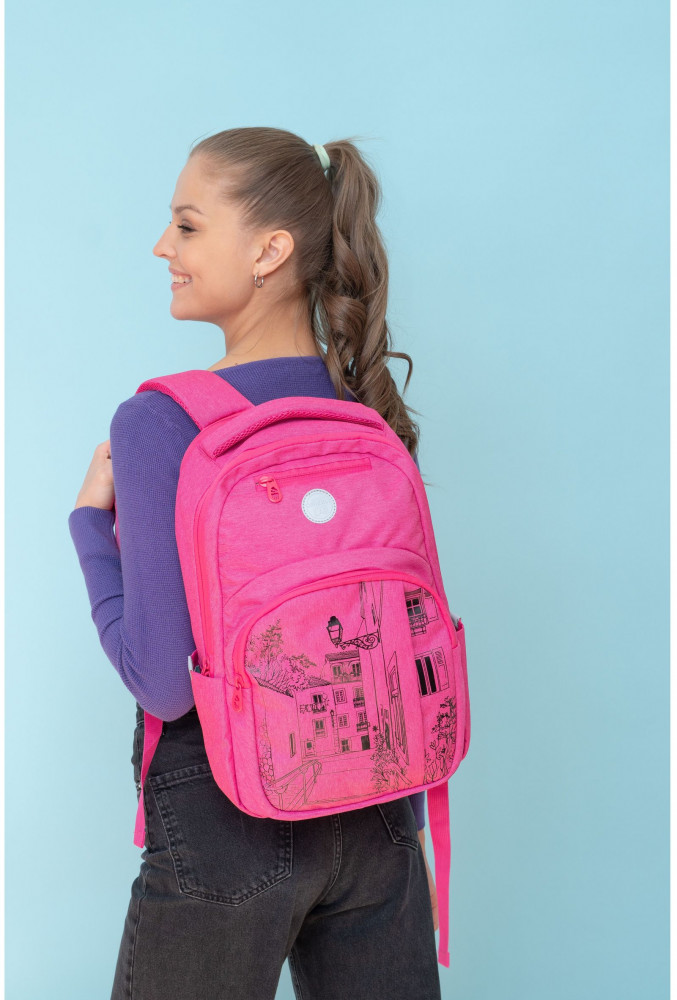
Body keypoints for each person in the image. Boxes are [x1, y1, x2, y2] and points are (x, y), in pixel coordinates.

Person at [68, 126, 442, 1000]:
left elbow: (163, 683)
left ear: (269, 251)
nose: (163, 247)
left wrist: (89, 526)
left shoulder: (161, 423)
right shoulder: (364, 413)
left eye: (187, 225)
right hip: (381, 808)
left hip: (227, 820)